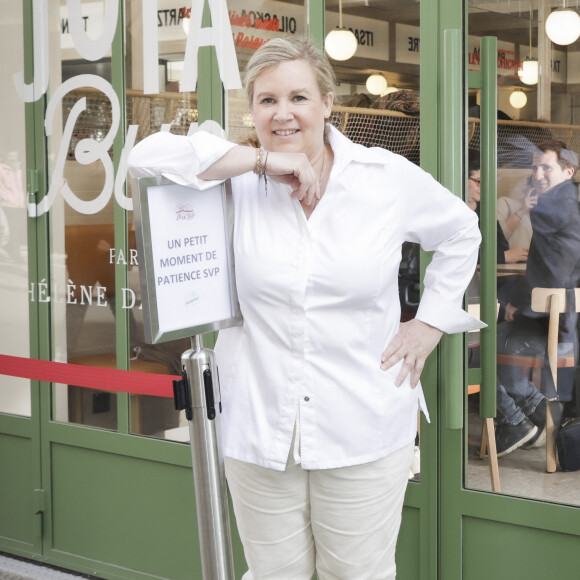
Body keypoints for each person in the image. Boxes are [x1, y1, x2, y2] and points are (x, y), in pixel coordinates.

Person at [129, 36, 482, 580]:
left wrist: (430, 323)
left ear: (327, 105)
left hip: (361, 421)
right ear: (253, 109)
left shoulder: (382, 178)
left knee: (358, 574)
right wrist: (263, 161)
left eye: (299, 97)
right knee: (274, 574)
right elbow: (144, 158)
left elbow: (462, 231)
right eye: (267, 100)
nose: (283, 112)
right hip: (258, 423)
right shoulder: (239, 178)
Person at [494, 140, 580, 456]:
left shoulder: (558, 209)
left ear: (568, 171)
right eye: (535, 167)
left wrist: (514, 306)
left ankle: (520, 421)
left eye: (547, 167)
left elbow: (554, 275)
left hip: (555, 326)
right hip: (558, 320)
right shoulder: (562, 205)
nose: (538, 174)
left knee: (487, 346)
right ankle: (534, 416)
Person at [467, 153, 528, 265]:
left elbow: (501, 246)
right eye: (479, 181)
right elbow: (457, 255)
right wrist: (502, 257)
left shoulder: (485, 209)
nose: (483, 186)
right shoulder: (451, 212)